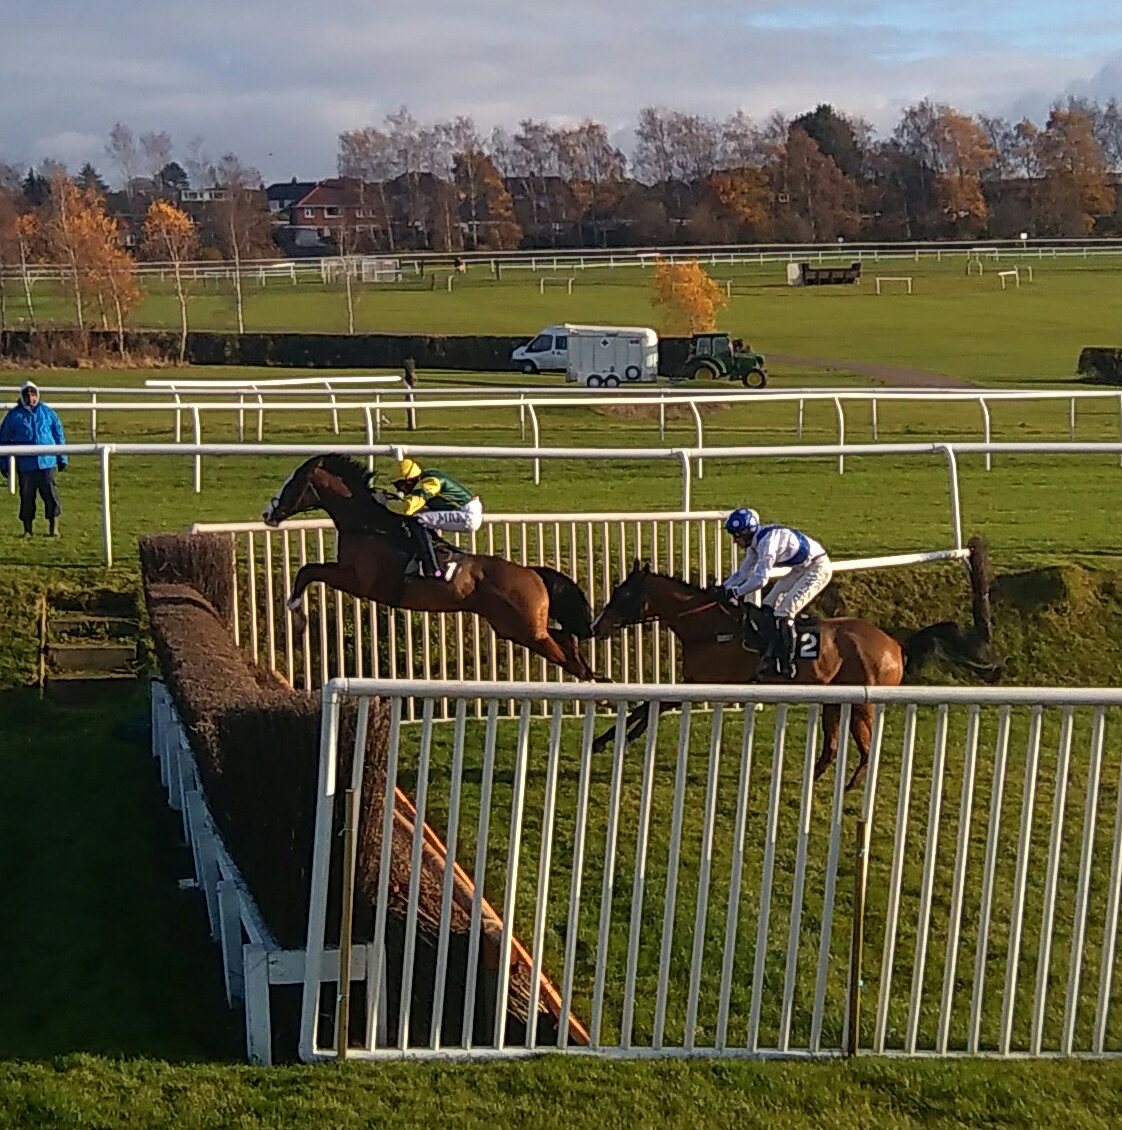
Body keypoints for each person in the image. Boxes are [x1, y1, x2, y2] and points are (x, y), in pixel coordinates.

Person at [720, 507, 833, 679]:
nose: (735, 541)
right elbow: (743, 574)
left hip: (817, 568)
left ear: (747, 532)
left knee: (784, 612)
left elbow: (760, 580)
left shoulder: (767, 543)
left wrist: (735, 592)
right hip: (800, 569)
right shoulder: (754, 545)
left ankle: (788, 664)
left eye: (736, 536)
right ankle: (771, 654)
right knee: (767, 606)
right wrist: (723, 587)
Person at [382, 458, 484, 580]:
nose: (399, 490)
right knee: (420, 516)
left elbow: (408, 508)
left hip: (467, 516)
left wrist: (385, 503)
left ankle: (432, 568)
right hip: (465, 511)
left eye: (399, 485)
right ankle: (433, 552)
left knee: (418, 519)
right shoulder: (426, 478)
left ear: (408, 480)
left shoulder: (430, 482)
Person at [0, 379, 67, 538]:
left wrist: (62, 457)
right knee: (27, 498)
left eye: (33, 394)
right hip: (25, 466)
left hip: (47, 463)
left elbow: (58, 435)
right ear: (22, 396)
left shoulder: (47, 412)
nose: (31, 398)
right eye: (27, 394)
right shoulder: (13, 416)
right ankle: (27, 530)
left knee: (50, 495)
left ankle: (53, 528)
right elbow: (3, 439)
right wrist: (4, 464)